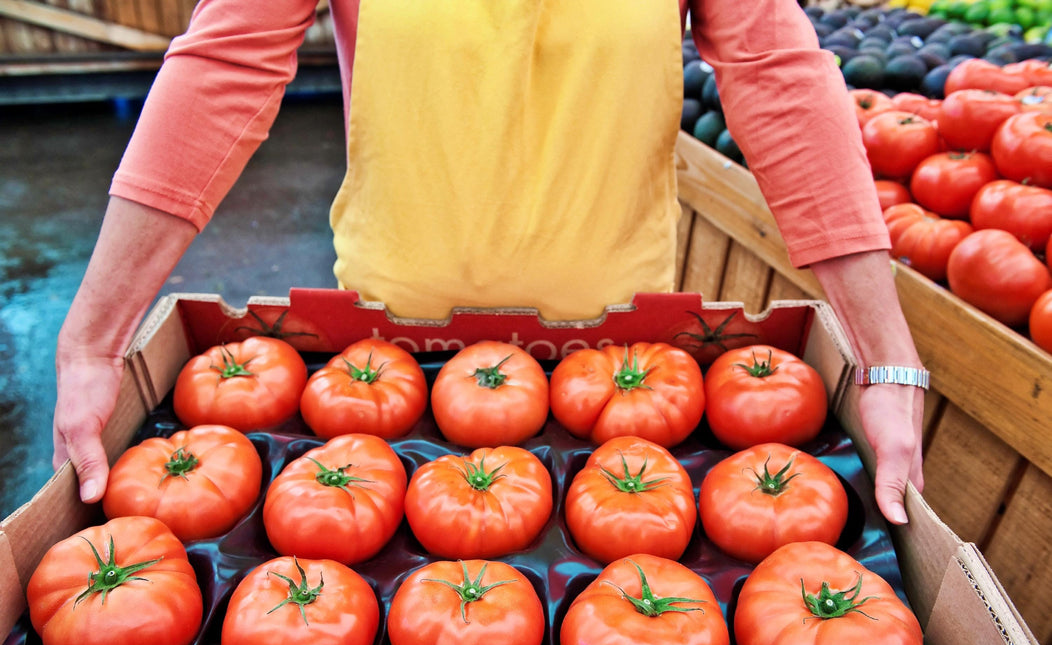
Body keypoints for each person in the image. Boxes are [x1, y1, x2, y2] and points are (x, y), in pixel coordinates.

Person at [52, 0, 926, 524]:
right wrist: (95, 340)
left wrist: (885, 355)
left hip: (627, 361)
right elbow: (225, 64)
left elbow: (776, 76)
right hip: (384, 354)